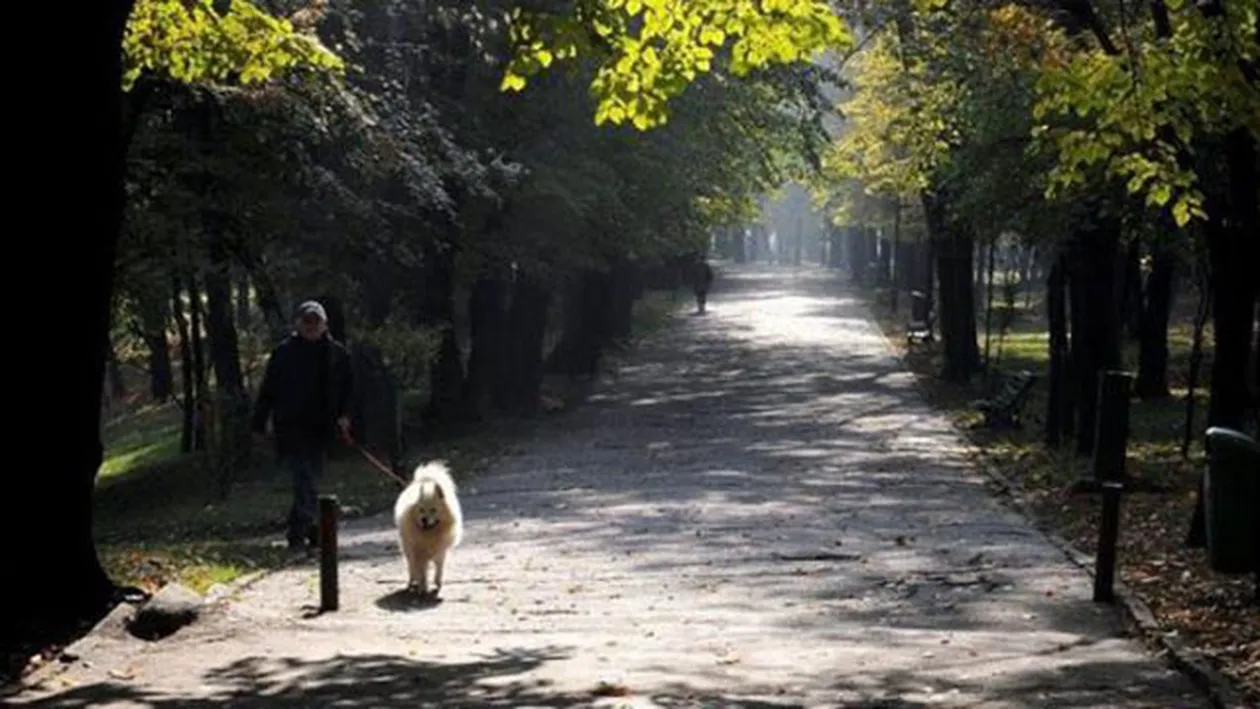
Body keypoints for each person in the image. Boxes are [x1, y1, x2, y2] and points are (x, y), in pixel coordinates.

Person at [251, 300, 354, 551]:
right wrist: (258, 423)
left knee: (310, 483)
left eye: (316, 322)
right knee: (304, 481)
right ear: (297, 323)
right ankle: (301, 533)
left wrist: (345, 415)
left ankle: (306, 528)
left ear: (324, 324)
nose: (311, 326)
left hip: (321, 428)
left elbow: (350, 390)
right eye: (306, 321)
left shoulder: (337, 354)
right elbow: (268, 390)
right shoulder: (283, 353)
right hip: (291, 428)